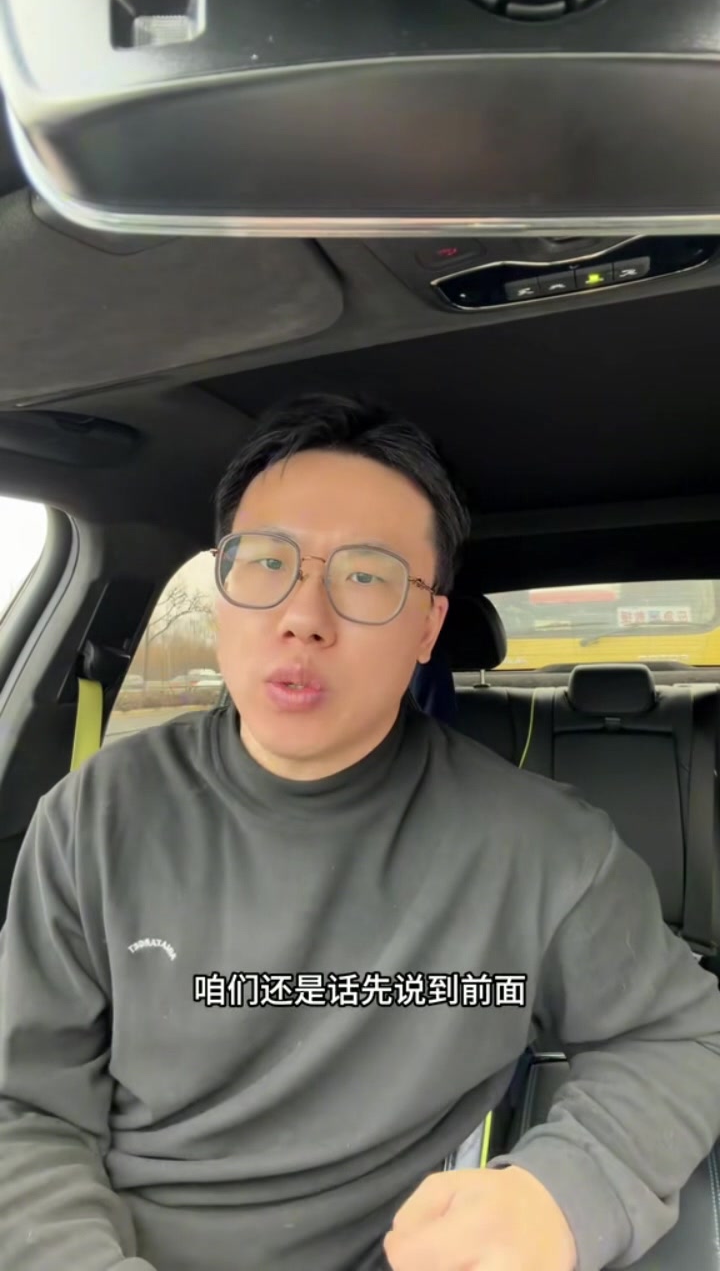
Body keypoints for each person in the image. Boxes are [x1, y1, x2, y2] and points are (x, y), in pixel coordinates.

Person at [1, 392, 720, 1271]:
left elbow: (685, 1034)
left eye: (366, 575)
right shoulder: (94, 816)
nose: (303, 615)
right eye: (266, 562)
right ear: (222, 589)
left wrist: (568, 1194)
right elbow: (24, 1105)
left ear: (428, 627)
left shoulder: (544, 852)